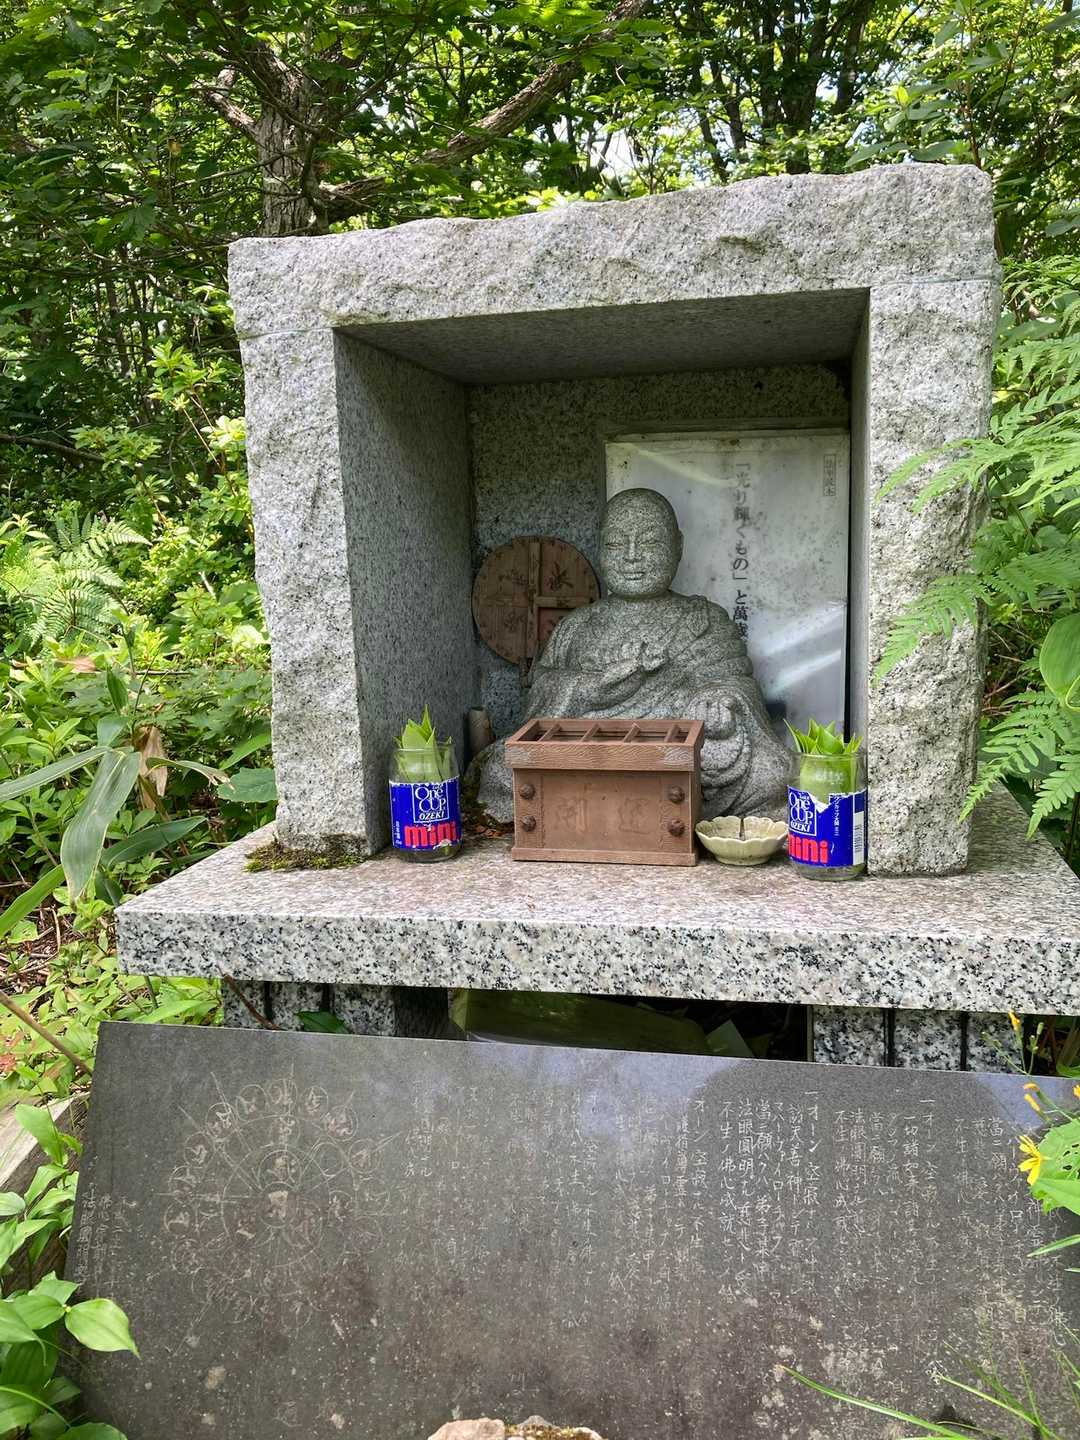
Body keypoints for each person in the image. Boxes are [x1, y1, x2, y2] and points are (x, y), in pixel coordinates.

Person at [473, 487, 790, 821]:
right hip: (590, 750)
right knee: (499, 771)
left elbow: (738, 686)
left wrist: (713, 705)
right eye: (615, 543)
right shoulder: (576, 626)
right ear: (599, 547)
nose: (632, 556)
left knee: (771, 771)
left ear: (678, 547)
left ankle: (607, 811)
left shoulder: (704, 620)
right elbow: (539, 700)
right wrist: (591, 687)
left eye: (650, 542)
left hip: (680, 749)